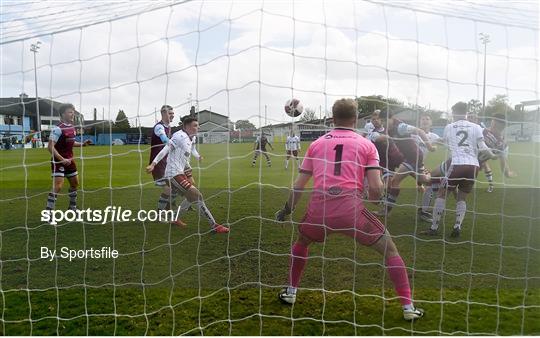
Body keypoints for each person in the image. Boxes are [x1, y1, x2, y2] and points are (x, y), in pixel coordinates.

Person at [275, 98, 424, 321]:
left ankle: (291, 292)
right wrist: (375, 199)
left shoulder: (316, 144)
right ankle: (408, 308)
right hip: (351, 212)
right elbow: (375, 187)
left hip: (319, 212)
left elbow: (298, 186)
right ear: (356, 120)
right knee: (391, 251)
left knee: (302, 242)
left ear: (333, 119)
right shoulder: (366, 144)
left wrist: (286, 210)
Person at [420, 102, 495, 238]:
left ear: (454, 113)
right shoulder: (476, 127)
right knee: (462, 197)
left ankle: (434, 227)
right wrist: (493, 155)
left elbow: (447, 143)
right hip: (474, 166)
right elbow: (483, 147)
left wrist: (435, 143)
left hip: (457, 164)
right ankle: (457, 226)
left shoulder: (449, 126)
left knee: (442, 194)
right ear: (466, 112)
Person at [147, 115, 229, 234]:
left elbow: (185, 158)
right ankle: (214, 225)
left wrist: (189, 173)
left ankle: (175, 219)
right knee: (197, 195)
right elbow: (166, 149)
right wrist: (153, 164)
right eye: (195, 125)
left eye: (198, 125)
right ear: (186, 127)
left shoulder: (192, 138)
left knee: (190, 197)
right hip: (173, 174)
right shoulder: (179, 136)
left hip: (180, 172)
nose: (198, 127)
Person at [377, 109, 436, 216]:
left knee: (394, 181)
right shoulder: (389, 128)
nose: (383, 123)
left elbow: (420, 131)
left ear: (392, 118)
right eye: (382, 121)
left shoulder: (400, 127)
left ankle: (386, 211)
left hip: (413, 157)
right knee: (425, 180)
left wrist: (430, 147)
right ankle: (438, 180)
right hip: (412, 157)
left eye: (385, 120)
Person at [45, 103, 91, 213]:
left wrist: (82, 144)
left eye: (73, 112)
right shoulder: (57, 129)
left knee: (75, 184)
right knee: (58, 186)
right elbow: (50, 147)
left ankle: (72, 208)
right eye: (70, 112)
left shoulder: (72, 128)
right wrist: (61, 159)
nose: (72, 114)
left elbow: (71, 143)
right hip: (58, 161)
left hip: (69, 160)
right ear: (63, 114)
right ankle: (48, 212)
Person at [149, 105, 186, 226]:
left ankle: (168, 211)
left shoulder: (168, 127)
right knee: (168, 188)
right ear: (163, 113)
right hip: (159, 163)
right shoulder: (159, 127)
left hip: (168, 162)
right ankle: (160, 214)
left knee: (173, 188)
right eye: (170, 113)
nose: (172, 115)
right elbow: (164, 140)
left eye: (173, 113)